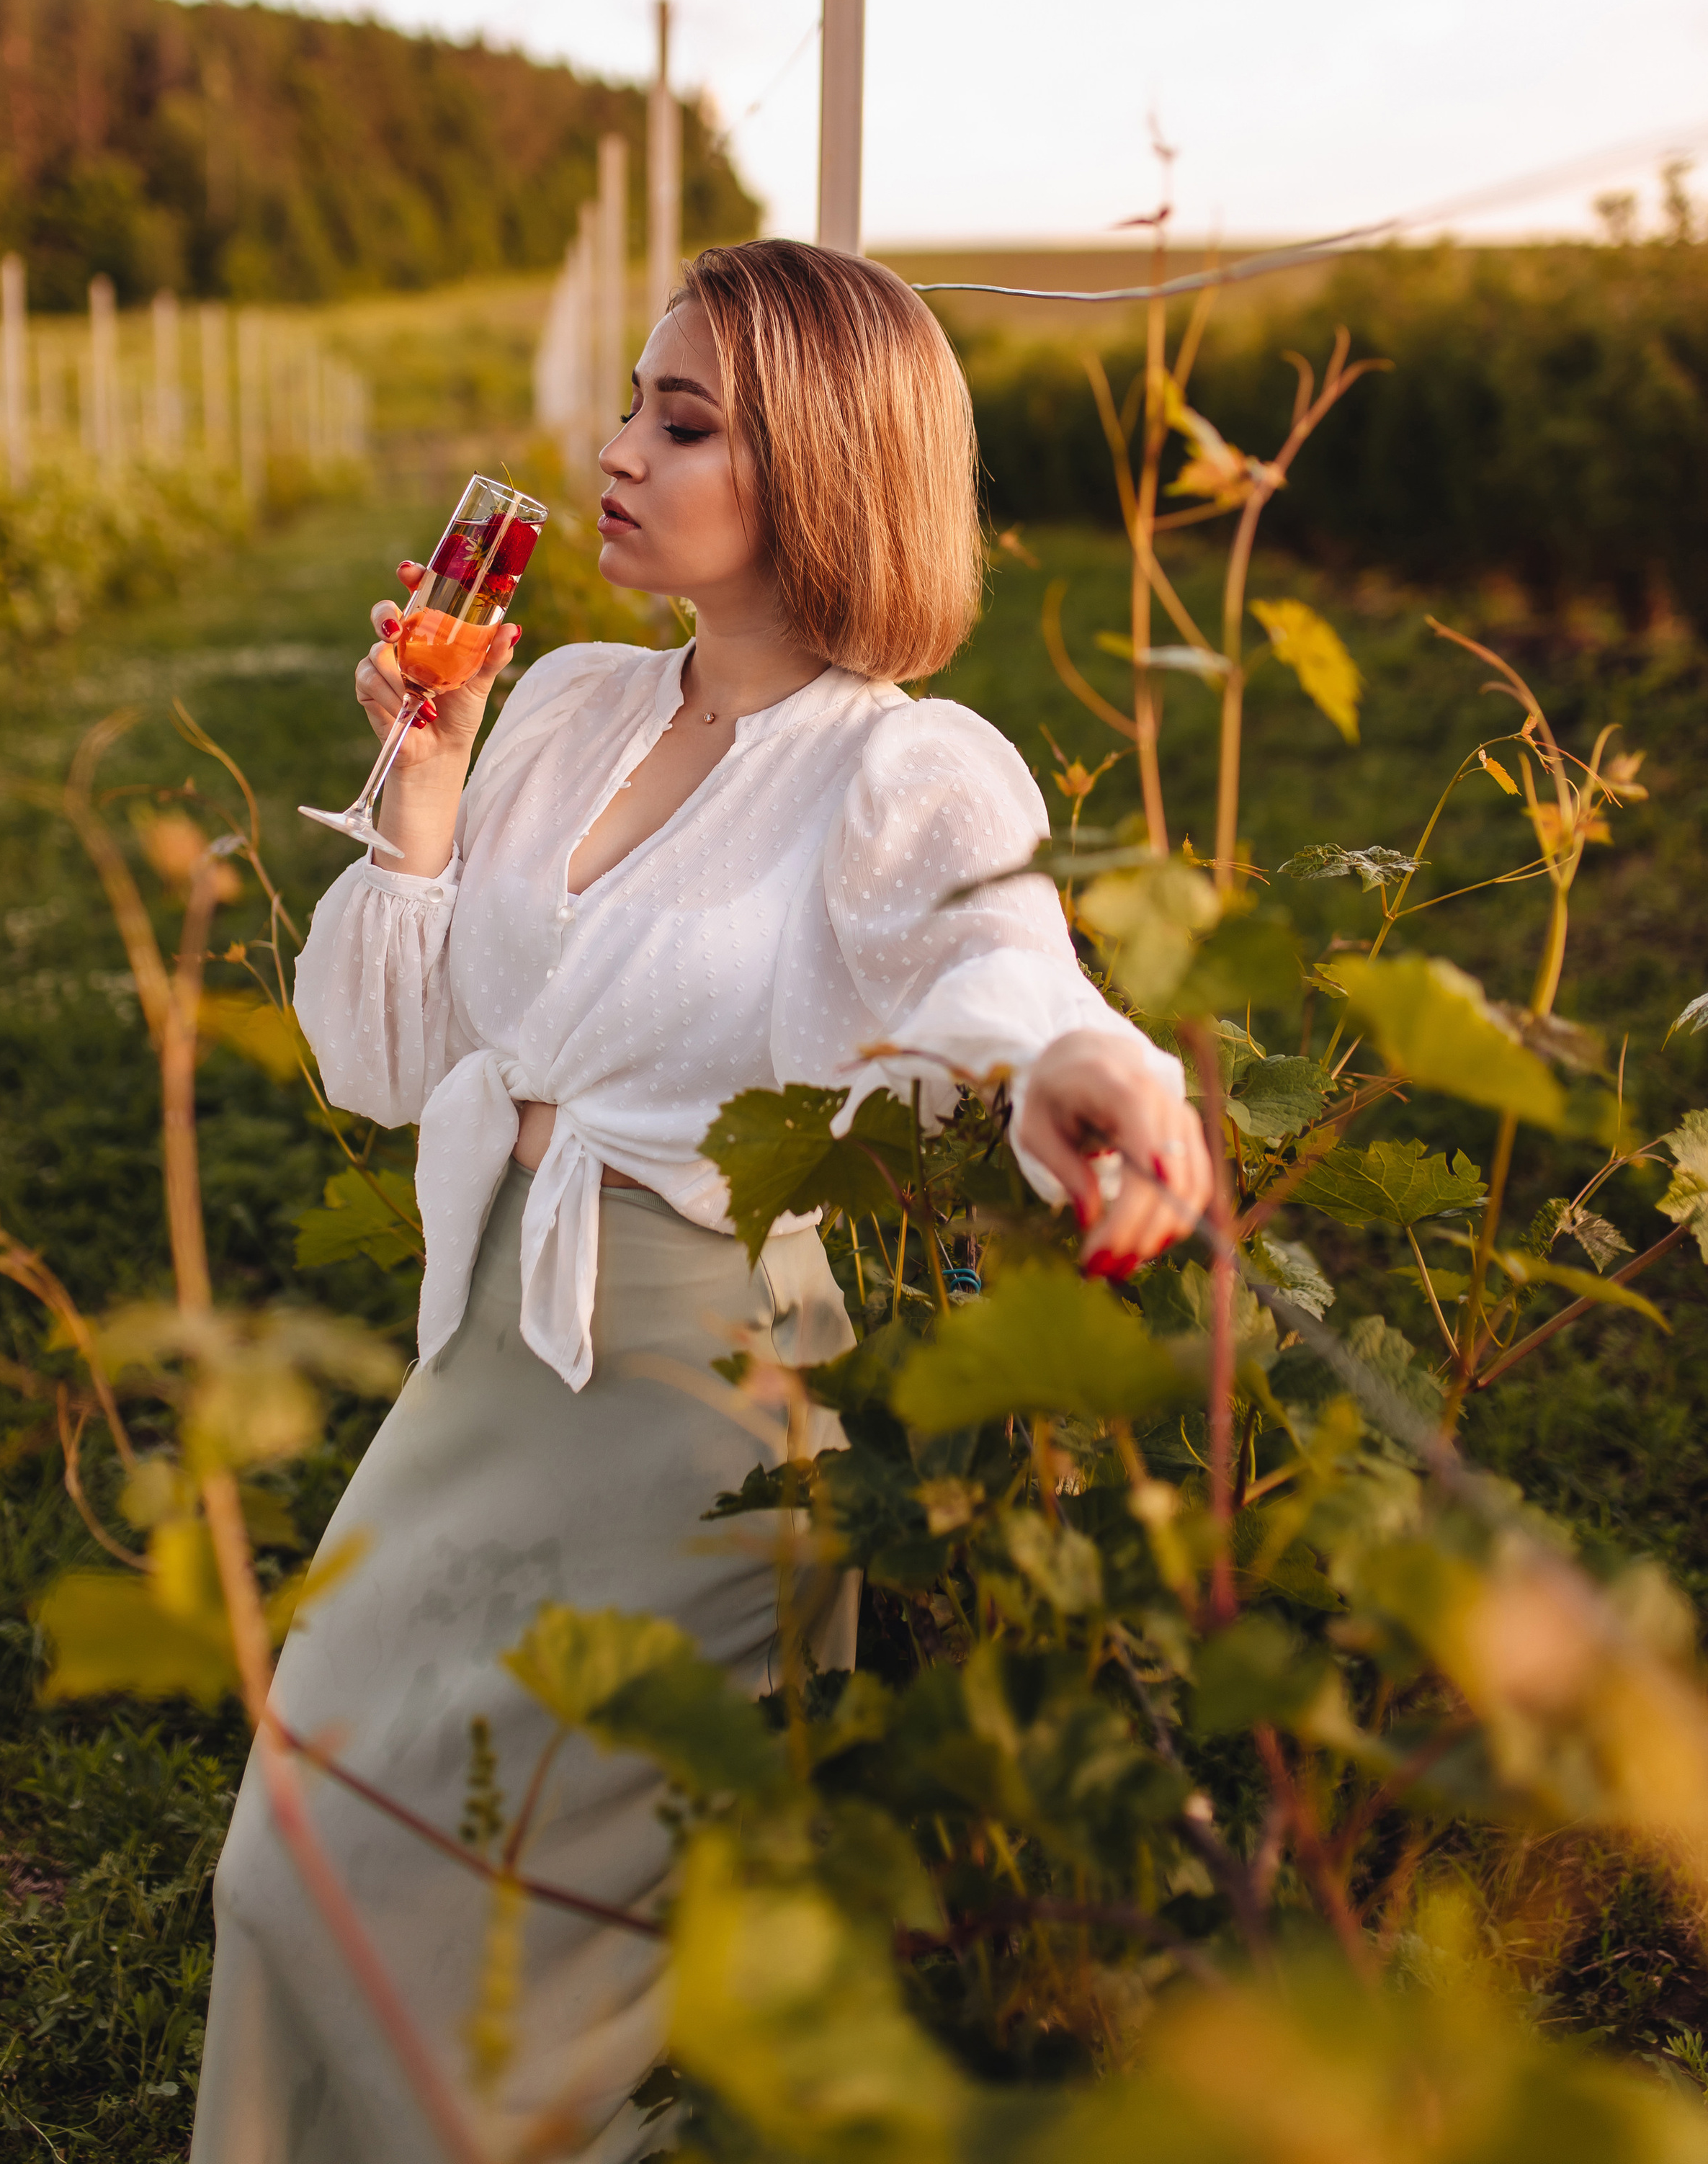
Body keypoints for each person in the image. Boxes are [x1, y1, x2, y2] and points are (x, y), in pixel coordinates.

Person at [191, 240, 1211, 2164]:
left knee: (510, 1948)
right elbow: (395, 1064)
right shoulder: (569, 699)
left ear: (822, 467)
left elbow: (1003, 971)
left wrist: (1084, 1069)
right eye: (633, 405)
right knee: (294, 1854)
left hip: (691, 1392)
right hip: (495, 1341)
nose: (623, 451)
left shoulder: (902, 766)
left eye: (688, 419)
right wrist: (425, 778)